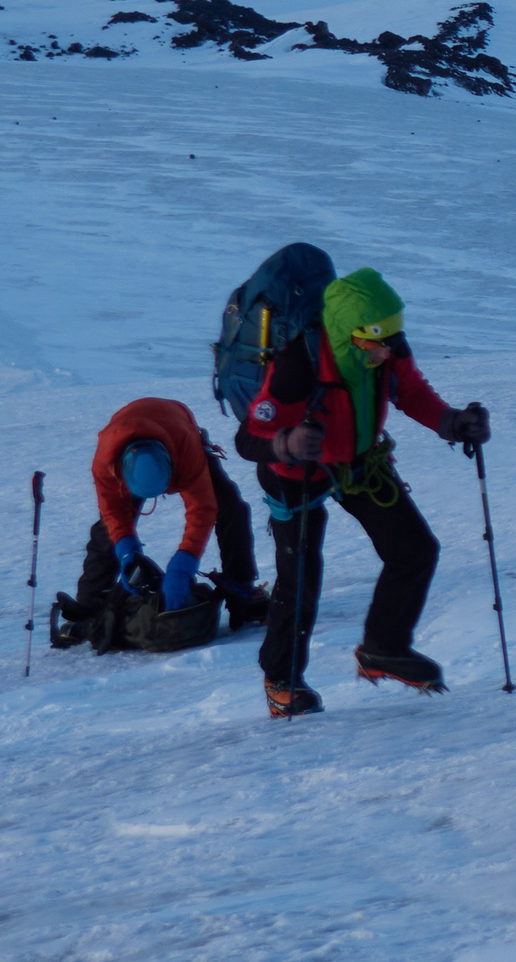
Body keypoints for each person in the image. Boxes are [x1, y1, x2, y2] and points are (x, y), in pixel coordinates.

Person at [239, 266, 492, 717]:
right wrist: (286, 444)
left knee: (414, 549)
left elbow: (410, 391)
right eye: (377, 343)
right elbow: (248, 438)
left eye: (392, 339)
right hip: (294, 472)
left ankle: (383, 647)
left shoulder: (384, 345)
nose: (388, 351)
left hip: (357, 461)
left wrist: (452, 422)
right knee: (301, 581)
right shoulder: (298, 364)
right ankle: (282, 679)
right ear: (350, 334)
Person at [61, 396, 265, 638]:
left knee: (231, 508)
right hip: (132, 439)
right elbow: (113, 511)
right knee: (108, 528)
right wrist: (127, 551)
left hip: (178, 430)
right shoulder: (105, 461)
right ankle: (89, 607)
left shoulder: (186, 450)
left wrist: (184, 563)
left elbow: (202, 508)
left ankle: (241, 591)